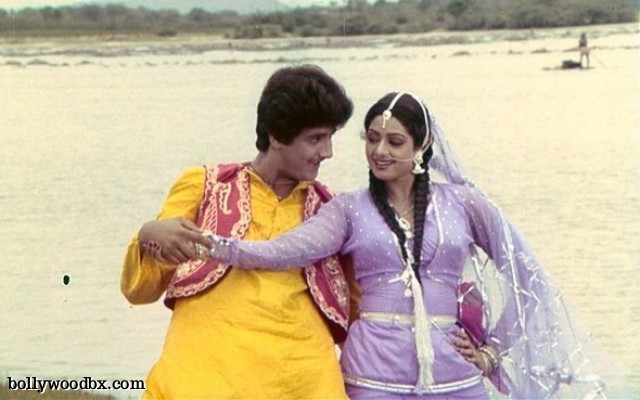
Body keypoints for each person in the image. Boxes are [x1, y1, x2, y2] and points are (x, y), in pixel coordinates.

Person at [201, 92, 608, 399]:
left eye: (394, 142)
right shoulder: (349, 209)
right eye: (372, 139)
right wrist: (211, 245)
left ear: (421, 146)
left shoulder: (464, 203)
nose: (379, 151)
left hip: (455, 374)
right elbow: (283, 251)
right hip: (372, 376)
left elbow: (529, 279)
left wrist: (491, 353)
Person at [120, 64, 359, 399]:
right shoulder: (205, 185)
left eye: (331, 137)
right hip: (204, 379)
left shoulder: (333, 210)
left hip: (303, 385)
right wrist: (148, 234)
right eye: (315, 139)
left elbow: (362, 311)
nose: (328, 152)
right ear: (276, 135)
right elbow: (140, 291)